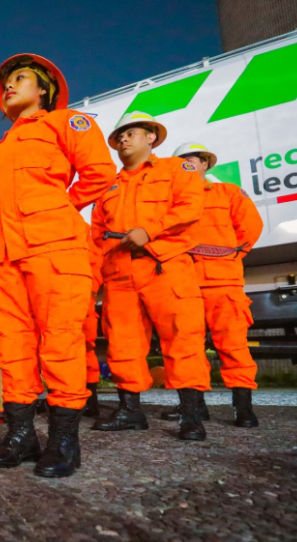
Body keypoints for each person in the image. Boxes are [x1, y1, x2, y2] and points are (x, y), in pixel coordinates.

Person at [0, 54, 116, 477]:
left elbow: (99, 173)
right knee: (12, 348)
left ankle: (63, 441)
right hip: (2, 258)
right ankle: (21, 436)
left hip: (53, 248)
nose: (8, 87)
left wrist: (57, 208)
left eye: (20, 79)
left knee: (60, 342)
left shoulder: (66, 124)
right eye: (5, 82)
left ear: (44, 90)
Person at [90, 112, 210, 441]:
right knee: (122, 343)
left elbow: (190, 206)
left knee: (182, 338)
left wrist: (150, 230)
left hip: (165, 265)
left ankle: (191, 415)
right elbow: (97, 234)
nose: (124, 139)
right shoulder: (107, 187)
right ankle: (130, 411)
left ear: (152, 137)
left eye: (131, 133)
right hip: (119, 271)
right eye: (119, 136)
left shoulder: (176, 170)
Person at [171, 142, 263, 427]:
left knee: (234, 346)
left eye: (192, 160)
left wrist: (229, 256)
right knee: (187, 349)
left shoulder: (228, 193)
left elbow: (250, 228)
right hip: (184, 284)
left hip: (223, 283)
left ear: (205, 164)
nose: (186, 165)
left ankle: (243, 408)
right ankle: (194, 408)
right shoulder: (171, 201)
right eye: (181, 161)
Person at [81, 217, 104, 418]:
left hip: (81, 299)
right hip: (54, 297)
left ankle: (90, 401)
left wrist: (89, 292)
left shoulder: (84, 231)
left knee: (85, 349)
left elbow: (96, 264)